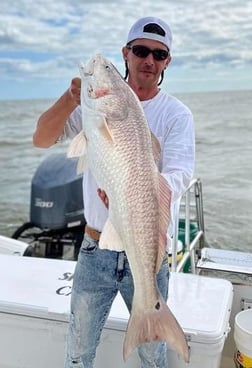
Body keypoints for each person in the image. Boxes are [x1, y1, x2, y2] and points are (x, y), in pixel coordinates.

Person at [33, 16, 195, 368]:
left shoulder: (176, 114)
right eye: (141, 51)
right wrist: (70, 97)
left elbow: (181, 173)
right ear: (127, 53)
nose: (149, 60)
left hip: (148, 253)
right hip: (95, 251)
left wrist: (128, 193)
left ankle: (151, 318)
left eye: (159, 54)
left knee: (153, 358)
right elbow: (41, 139)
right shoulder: (93, 108)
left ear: (167, 61)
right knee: (77, 353)